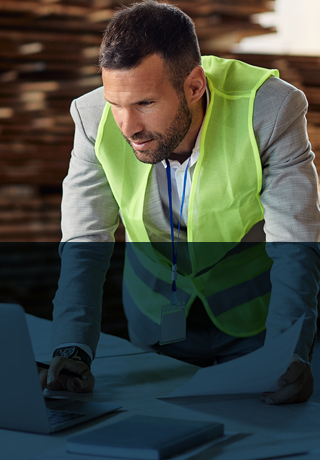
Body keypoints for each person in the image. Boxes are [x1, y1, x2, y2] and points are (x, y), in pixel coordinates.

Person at [39, 1, 320, 404]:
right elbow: (85, 240)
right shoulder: (90, 117)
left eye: (145, 104)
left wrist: (288, 351)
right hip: (155, 317)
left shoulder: (270, 111)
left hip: (256, 318)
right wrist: (71, 348)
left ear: (194, 86)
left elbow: (296, 243)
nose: (128, 127)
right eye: (116, 104)